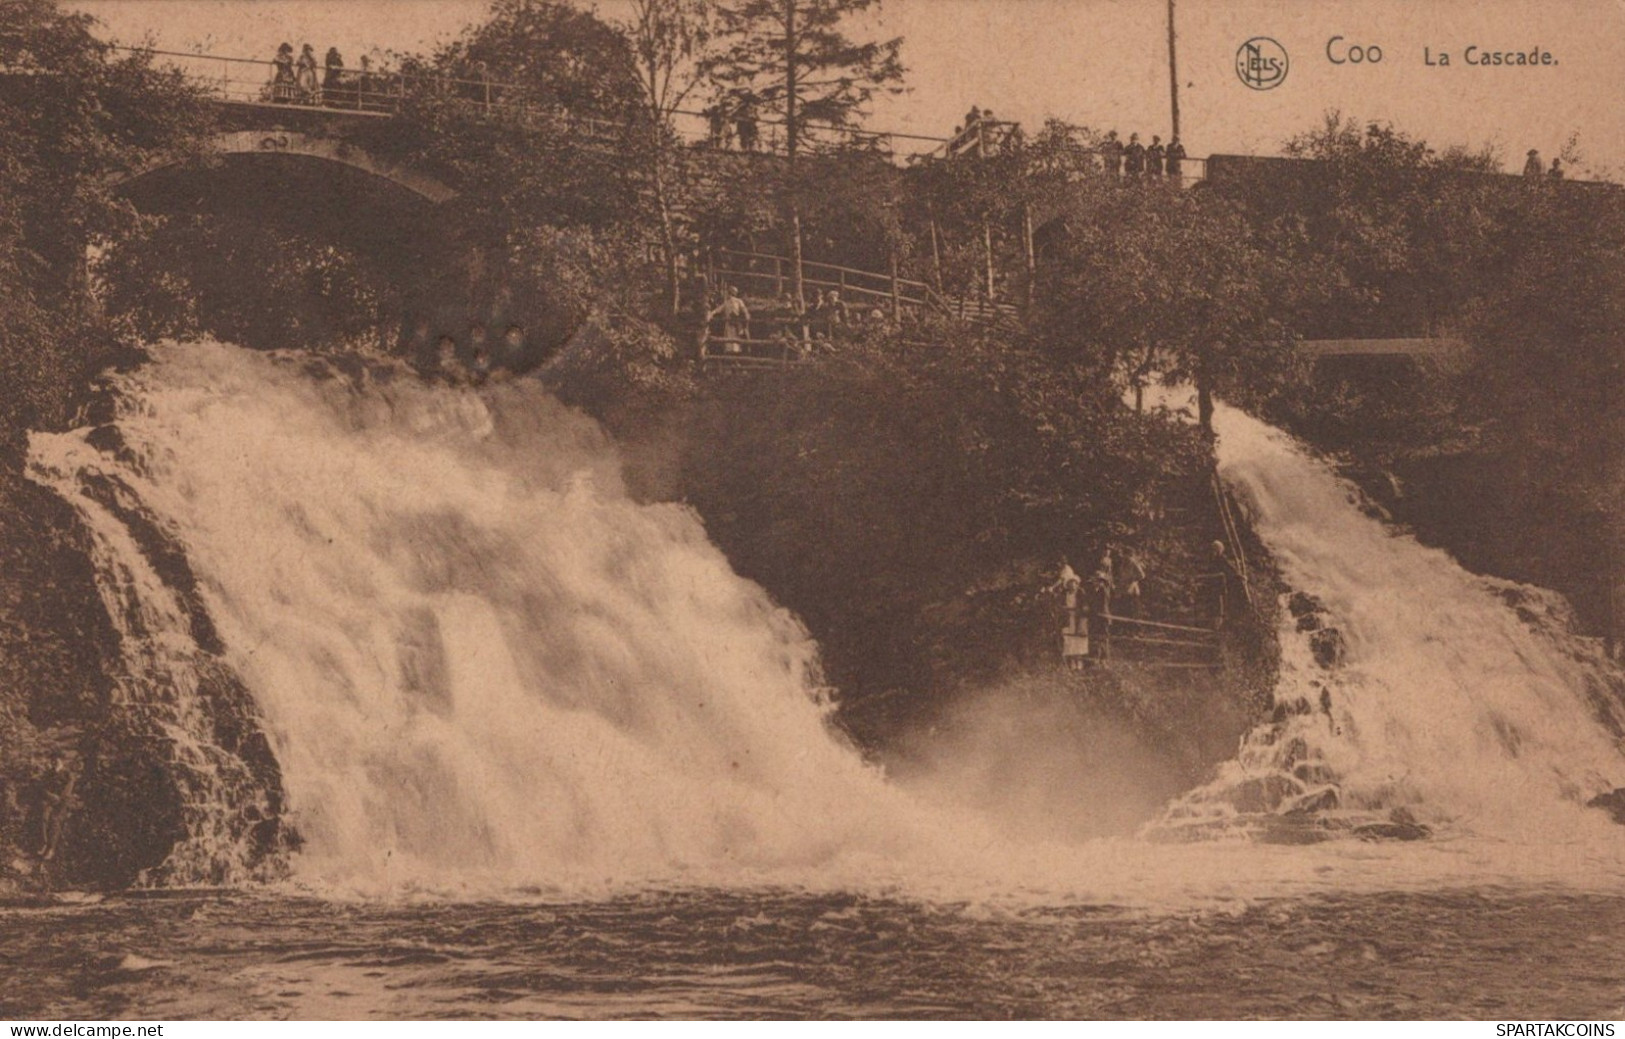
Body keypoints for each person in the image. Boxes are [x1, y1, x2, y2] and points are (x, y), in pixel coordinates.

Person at [37, 754, 77, 863]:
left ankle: (51, 848)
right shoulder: (49, 774)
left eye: (57, 761)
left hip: (62, 802)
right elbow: (43, 788)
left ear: (62, 761)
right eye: (53, 761)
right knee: (44, 817)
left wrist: (59, 799)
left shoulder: (68, 774)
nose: (55, 763)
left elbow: (67, 790)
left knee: (55, 820)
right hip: (51, 800)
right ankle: (44, 844)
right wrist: (50, 796)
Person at [1200, 539, 1242, 628]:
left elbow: (1230, 569)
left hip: (1219, 584)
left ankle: (1217, 624)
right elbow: (1209, 570)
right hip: (1212, 584)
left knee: (1219, 603)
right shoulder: (1212, 559)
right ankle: (1212, 622)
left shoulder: (1222, 559)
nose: (1213, 551)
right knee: (1212, 602)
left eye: (1215, 549)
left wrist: (1239, 576)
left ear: (1219, 550)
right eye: (1213, 549)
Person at [708, 285, 750, 352]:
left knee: (735, 340)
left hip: (736, 324)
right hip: (729, 324)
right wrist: (711, 313)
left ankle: (735, 356)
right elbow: (718, 309)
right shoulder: (727, 302)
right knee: (730, 341)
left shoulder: (738, 301)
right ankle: (731, 355)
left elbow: (744, 311)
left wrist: (743, 319)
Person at [1116, 549, 1146, 618]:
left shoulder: (1133, 563)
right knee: (1123, 610)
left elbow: (1142, 575)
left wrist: (1132, 579)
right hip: (1123, 590)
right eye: (1124, 555)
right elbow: (1121, 576)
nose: (1124, 557)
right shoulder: (1123, 563)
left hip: (1132, 590)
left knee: (1131, 609)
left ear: (1130, 555)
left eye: (1126, 555)